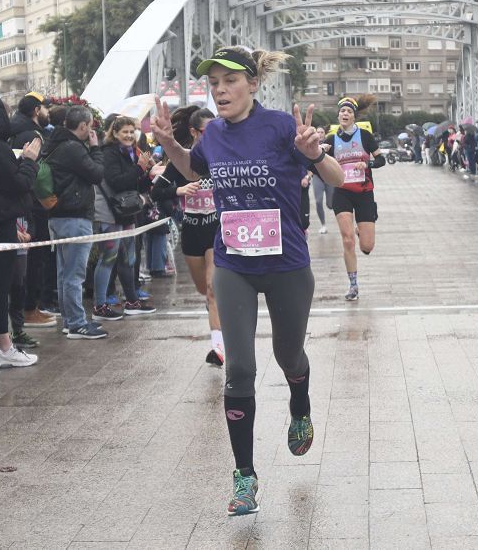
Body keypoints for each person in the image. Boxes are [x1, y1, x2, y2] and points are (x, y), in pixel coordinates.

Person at [150, 45, 344, 517]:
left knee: (287, 355)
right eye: (213, 83)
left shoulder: (281, 126)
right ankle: (245, 476)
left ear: (254, 84)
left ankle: (300, 404)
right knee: (239, 368)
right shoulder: (213, 134)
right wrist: (170, 144)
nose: (220, 91)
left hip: (287, 265)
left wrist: (315, 155)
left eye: (230, 81)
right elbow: (195, 168)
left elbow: (337, 180)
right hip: (235, 263)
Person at [150, 106, 226, 365]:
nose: (213, 135)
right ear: (194, 132)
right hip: (192, 229)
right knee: (202, 290)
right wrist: (179, 190)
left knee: (213, 288)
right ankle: (213, 311)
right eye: (207, 131)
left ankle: (218, 347)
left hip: (217, 229)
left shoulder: (222, 157)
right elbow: (156, 192)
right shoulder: (182, 161)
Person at [0, 96, 41, 368]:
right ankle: (4, 346)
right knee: (2, 285)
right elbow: (19, 184)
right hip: (0, 221)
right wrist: (29, 160)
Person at [44, 105, 107, 339]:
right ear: (82, 126)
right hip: (75, 215)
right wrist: (95, 148)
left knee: (64, 272)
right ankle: (78, 324)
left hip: (59, 216)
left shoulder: (55, 143)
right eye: (90, 126)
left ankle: (70, 320)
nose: (91, 130)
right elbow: (97, 174)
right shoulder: (72, 148)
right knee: (74, 274)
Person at [91, 116, 157, 320]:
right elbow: (117, 182)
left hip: (126, 213)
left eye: (132, 131)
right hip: (110, 214)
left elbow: (133, 185)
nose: (129, 135)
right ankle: (99, 306)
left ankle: (132, 301)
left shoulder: (129, 152)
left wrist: (149, 175)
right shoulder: (109, 152)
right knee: (108, 259)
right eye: (125, 132)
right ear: (115, 133)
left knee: (129, 259)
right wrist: (139, 168)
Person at [325, 95, 386, 301]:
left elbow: (381, 160)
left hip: (364, 192)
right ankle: (353, 285)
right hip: (342, 192)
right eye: (342, 111)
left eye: (349, 111)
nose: (345, 114)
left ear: (354, 117)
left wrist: (366, 164)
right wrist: (319, 154)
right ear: (338, 115)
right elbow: (316, 164)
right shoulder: (330, 140)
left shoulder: (365, 136)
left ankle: (361, 230)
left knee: (366, 247)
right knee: (347, 240)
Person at [10, 92, 57, 329]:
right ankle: (30, 309)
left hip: (22, 201)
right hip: (33, 202)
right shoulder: (32, 135)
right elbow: (38, 173)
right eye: (45, 108)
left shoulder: (15, 130)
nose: (48, 112)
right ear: (37, 110)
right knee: (35, 259)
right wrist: (48, 197)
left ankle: (29, 308)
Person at [311, 126, 335, 233]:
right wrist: (308, 176)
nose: (320, 134)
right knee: (318, 201)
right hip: (317, 177)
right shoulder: (311, 146)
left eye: (322, 132)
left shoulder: (330, 145)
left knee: (331, 205)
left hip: (329, 177)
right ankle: (323, 225)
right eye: (318, 132)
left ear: (325, 134)